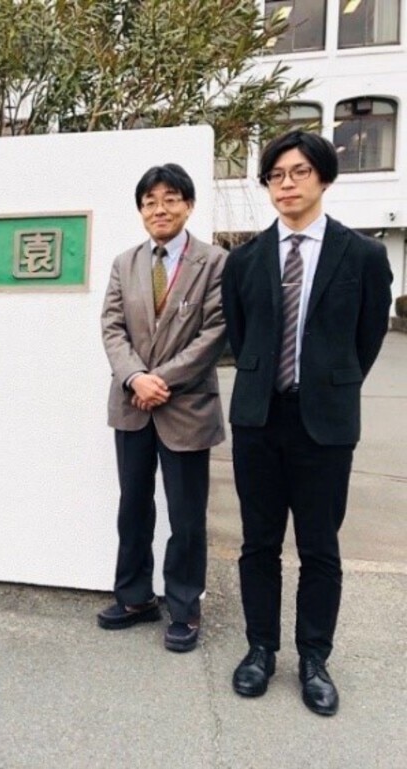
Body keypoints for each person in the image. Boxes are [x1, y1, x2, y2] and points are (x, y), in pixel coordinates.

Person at [222, 130, 392, 716]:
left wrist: (325, 383)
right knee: (258, 545)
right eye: (275, 175)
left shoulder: (364, 256)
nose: (286, 184)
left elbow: (366, 340)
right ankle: (259, 650)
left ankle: (314, 658)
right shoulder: (244, 259)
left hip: (324, 426)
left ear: (322, 178)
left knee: (320, 547)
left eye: (297, 172)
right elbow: (243, 338)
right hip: (259, 420)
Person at [98, 163, 228, 652]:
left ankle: (184, 605)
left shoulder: (215, 262)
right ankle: (135, 597)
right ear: (140, 211)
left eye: (170, 198)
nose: (160, 209)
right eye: (150, 201)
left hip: (186, 406)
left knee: (186, 515)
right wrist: (134, 377)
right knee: (133, 507)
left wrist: (160, 380)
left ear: (188, 205)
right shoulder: (125, 263)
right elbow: (112, 327)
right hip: (132, 404)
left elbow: (217, 331)